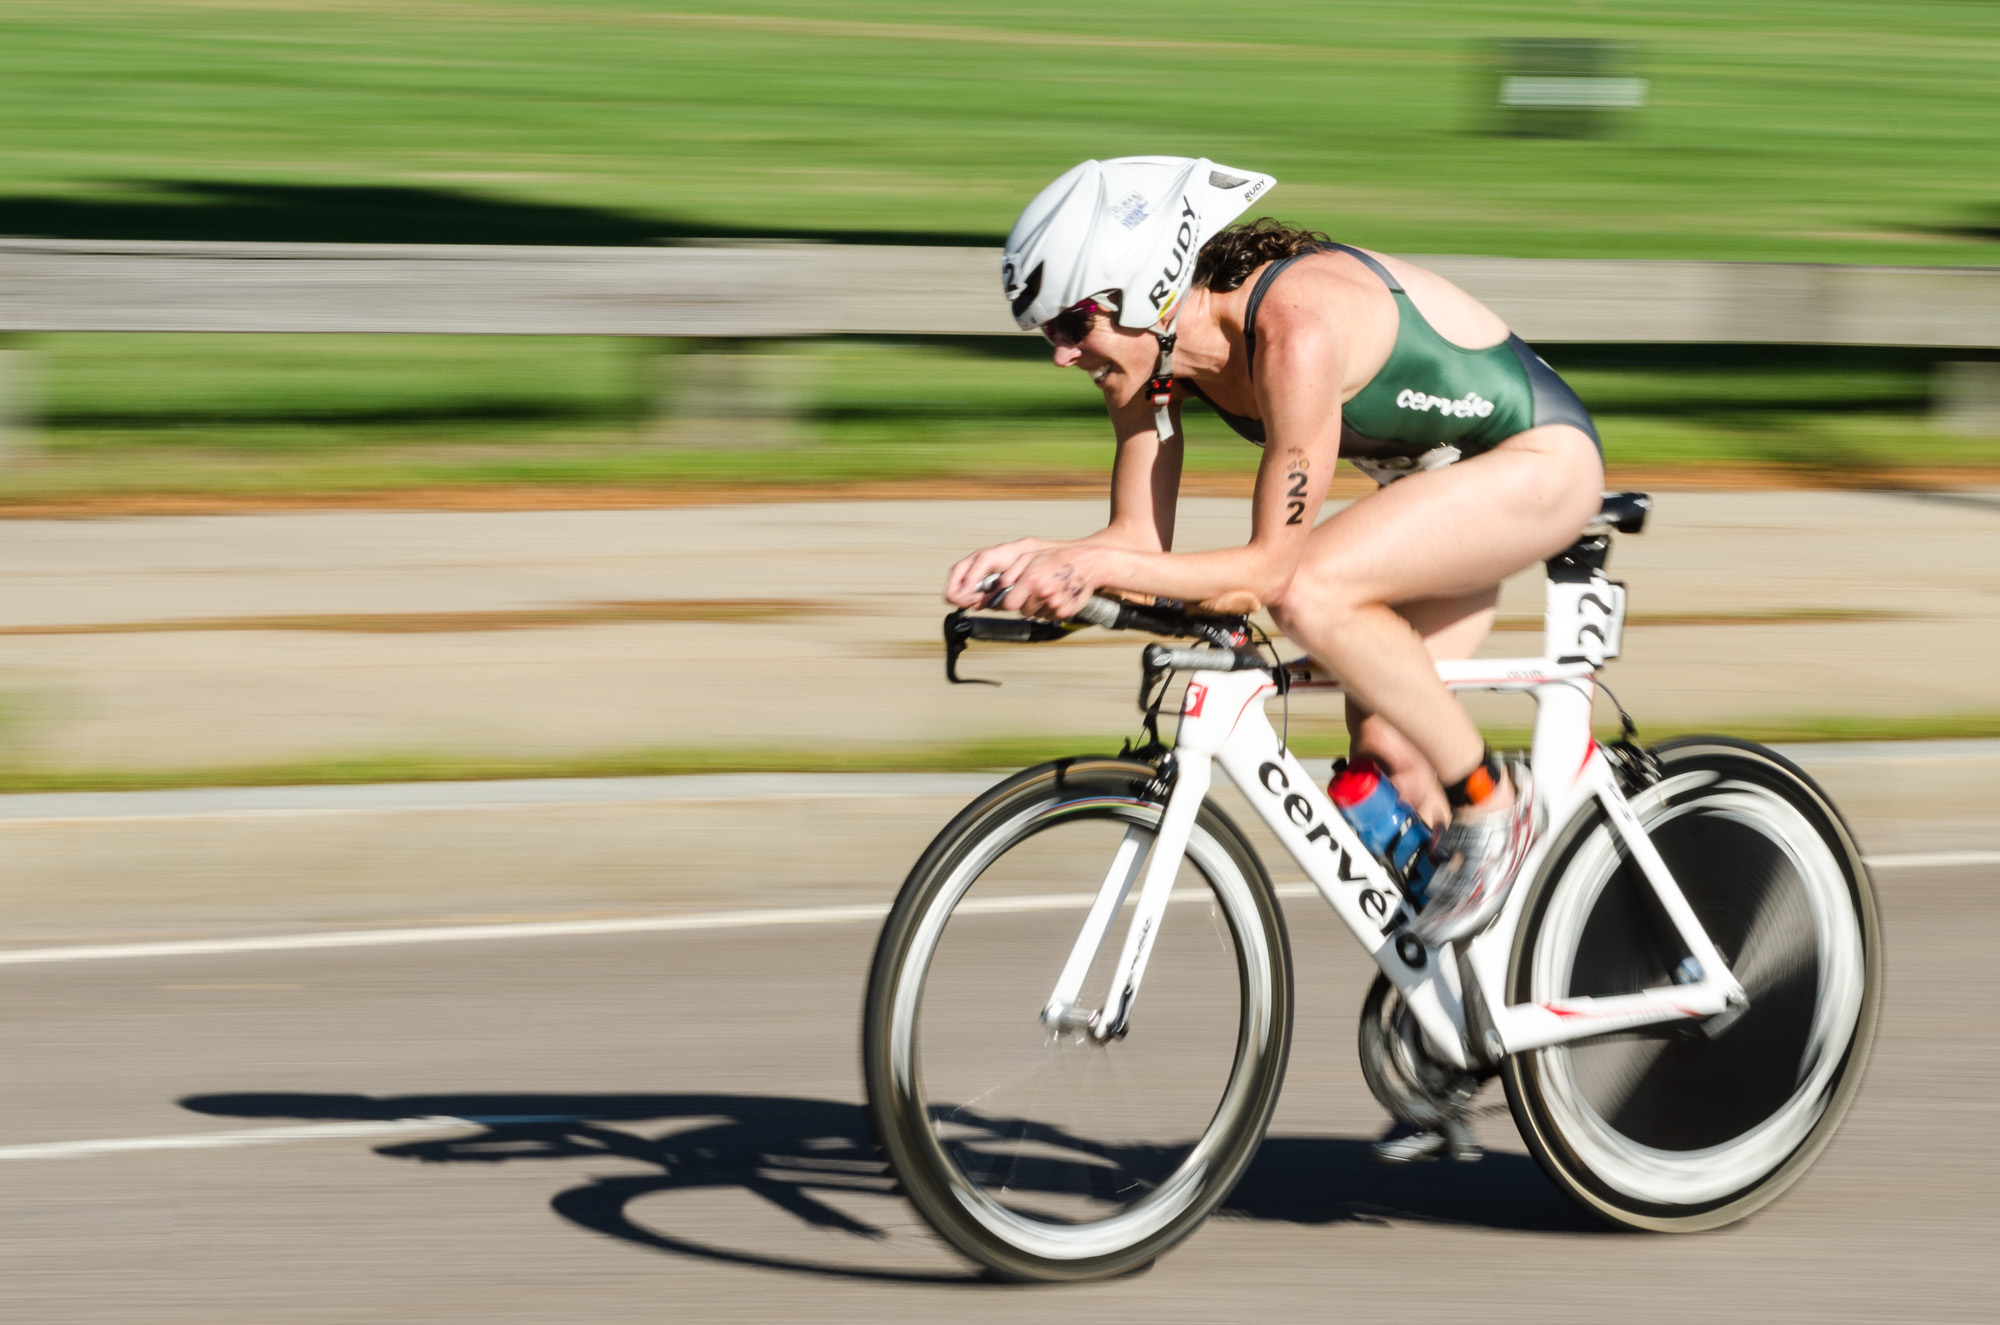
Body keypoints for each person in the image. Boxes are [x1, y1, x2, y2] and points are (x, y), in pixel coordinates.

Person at [948, 156, 1605, 964]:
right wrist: (1039, 558)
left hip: (1537, 463)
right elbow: (1137, 544)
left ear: (1146, 286)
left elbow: (1269, 573)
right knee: (1391, 763)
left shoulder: (1296, 330)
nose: (1060, 354)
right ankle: (1475, 999)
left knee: (1311, 593)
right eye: (1046, 332)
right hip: (1437, 487)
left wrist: (1084, 571)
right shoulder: (1146, 366)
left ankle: (1494, 804)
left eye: (1071, 324)